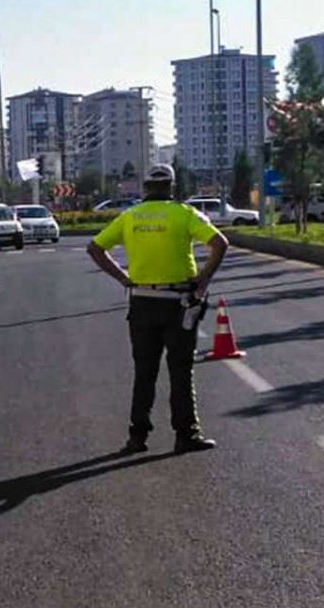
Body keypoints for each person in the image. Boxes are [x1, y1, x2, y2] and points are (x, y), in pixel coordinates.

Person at [86, 164, 229, 455]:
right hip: (178, 303)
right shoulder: (184, 214)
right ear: (171, 187)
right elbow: (219, 243)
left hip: (141, 302)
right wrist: (203, 278)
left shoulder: (130, 216)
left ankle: (137, 437)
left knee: (144, 372)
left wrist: (123, 277)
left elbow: (95, 248)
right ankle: (185, 434)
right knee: (180, 369)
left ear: (146, 188)